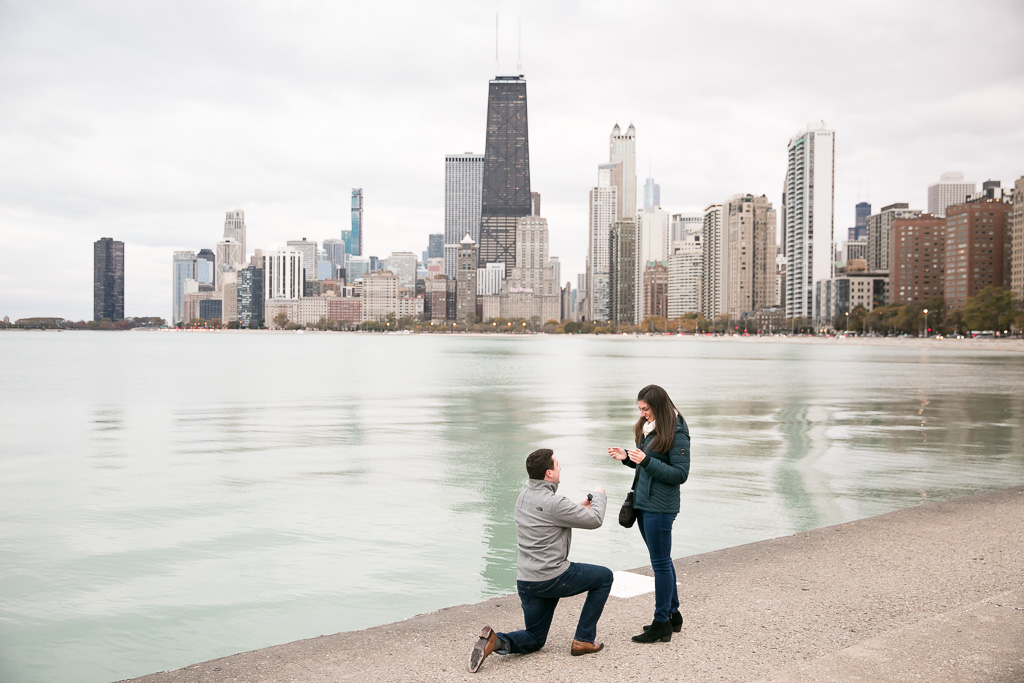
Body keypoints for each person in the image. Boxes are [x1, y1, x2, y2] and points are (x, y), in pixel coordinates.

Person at [469, 448, 613, 673]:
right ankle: (584, 639)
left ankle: (496, 641)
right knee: (604, 577)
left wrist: (577, 506)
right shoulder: (554, 502)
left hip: (527, 581)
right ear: (548, 473)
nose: (560, 467)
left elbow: (548, 518)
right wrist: (600, 494)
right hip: (553, 577)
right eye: (557, 464)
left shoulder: (522, 497)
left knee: (535, 638)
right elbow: (595, 520)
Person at [607, 384, 690, 644]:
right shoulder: (651, 429)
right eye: (640, 409)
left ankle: (661, 622)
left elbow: (680, 474)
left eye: (646, 409)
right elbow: (648, 463)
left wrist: (645, 461)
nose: (642, 414)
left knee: (660, 564)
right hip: (644, 503)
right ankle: (673, 615)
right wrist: (628, 458)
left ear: (659, 406)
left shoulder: (677, 432)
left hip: (660, 508)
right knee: (662, 559)